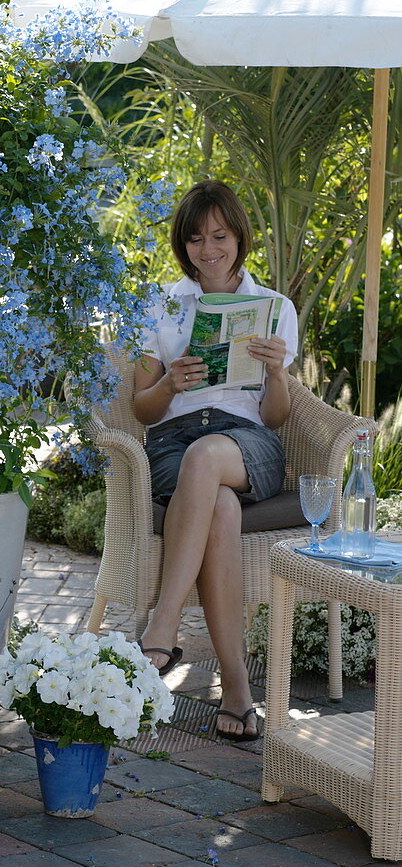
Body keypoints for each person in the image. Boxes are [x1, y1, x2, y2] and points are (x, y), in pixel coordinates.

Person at [133, 180, 298, 740]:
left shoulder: (275, 307)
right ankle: (237, 692)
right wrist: (170, 384)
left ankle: (163, 624)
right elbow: (142, 408)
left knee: (211, 460)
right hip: (175, 441)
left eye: (219, 236)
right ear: (183, 244)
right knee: (220, 507)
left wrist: (275, 373)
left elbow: (275, 418)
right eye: (197, 238)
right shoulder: (159, 306)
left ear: (238, 237)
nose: (209, 250)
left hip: (247, 443)